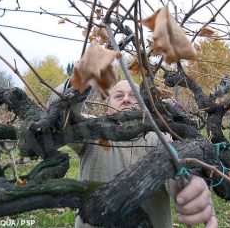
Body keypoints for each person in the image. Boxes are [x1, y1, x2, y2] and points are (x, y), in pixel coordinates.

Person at [51, 80, 218, 227]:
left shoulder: (160, 138)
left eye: (133, 96)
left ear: (144, 104)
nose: (126, 99)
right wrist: (79, 82)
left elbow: (178, 169)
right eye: (118, 96)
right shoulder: (92, 131)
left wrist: (190, 181)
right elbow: (61, 118)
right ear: (107, 105)